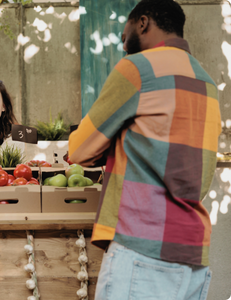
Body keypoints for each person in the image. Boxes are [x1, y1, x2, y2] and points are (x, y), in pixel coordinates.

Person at [68, 1, 221, 299]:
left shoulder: (137, 68)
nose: (122, 40)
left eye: (124, 30)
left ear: (142, 22)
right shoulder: (207, 83)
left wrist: (112, 142)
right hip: (193, 255)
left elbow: (80, 150)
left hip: (143, 246)